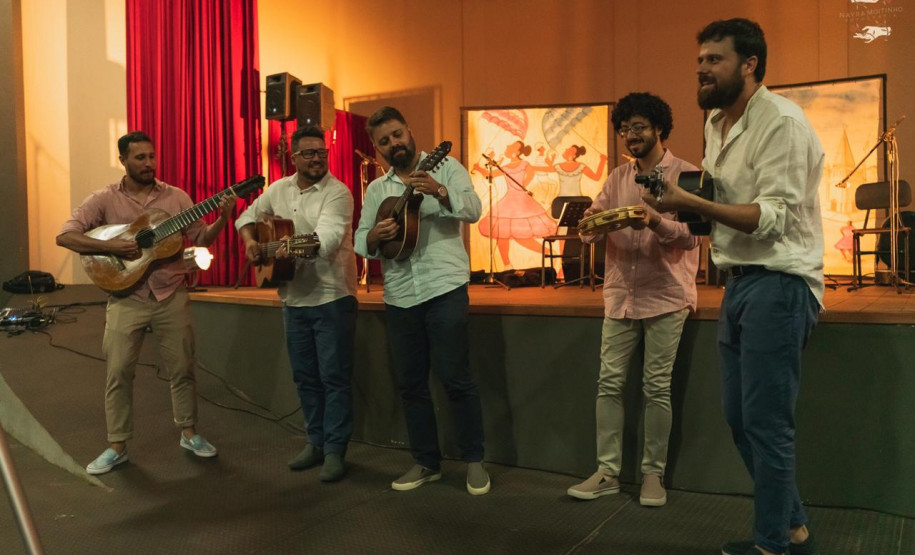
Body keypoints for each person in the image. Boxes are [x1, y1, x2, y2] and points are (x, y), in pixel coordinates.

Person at [641, 19, 823, 555]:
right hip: (740, 282)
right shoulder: (717, 123)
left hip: (781, 283)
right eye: (699, 60)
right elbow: (716, 215)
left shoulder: (782, 123)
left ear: (749, 65)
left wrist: (690, 202)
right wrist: (666, 208)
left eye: (714, 59)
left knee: (767, 425)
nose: (701, 68)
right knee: (740, 420)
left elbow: (771, 217)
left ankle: (771, 544)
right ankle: (792, 527)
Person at [56, 131, 235, 475]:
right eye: (140, 158)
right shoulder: (104, 199)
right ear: (122, 159)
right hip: (126, 297)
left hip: (171, 293)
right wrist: (114, 248)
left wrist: (224, 216)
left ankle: (189, 433)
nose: (149, 163)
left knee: (183, 368)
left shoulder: (177, 197)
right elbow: (66, 235)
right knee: (119, 371)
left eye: (152, 156)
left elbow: (202, 236)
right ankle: (117, 445)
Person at [567, 93, 700, 507]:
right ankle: (607, 472)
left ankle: (652, 476)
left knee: (656, 387)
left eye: (639, 127)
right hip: (620, 295)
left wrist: (657, 220)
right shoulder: (616, 178)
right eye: (625, 129)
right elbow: (590, 229)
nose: (631, 135)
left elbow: (695, 236)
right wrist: (589, 222)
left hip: (667, 294)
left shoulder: (689, 173)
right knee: (608, 383)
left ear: (659, 127)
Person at [354, 106, 490, 495]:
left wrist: (440, 191)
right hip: (399, 296)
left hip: (443, 288)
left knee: (456, 378)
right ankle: (426, 462)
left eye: (397, 134)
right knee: (412, 385)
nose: (393, 143)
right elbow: (360, 241)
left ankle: (474, 460)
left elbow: (475, 209)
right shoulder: (377, 191)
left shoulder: (446, 166)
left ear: (410, 132)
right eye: (384, 141)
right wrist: (377, 236)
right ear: (377, 148)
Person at [235, 126, 358, 482]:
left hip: (332, 297)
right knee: (305, 377)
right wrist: (252, 244)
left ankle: (335, 450)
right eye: (310, 153)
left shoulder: (338, 193)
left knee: (334, 378)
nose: (318, 157)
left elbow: (329, 239)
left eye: (322, 152)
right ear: (294, 157)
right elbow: (245, 217)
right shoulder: (279, 189)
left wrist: (293, 246)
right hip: (293, 298)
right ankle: (314, 441)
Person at [472, 141, 557, 269]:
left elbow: (531, 174)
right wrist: (479, 168)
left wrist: (524, 186)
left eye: (511, 146)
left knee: (521, 236)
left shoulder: (524, 164)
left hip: (521, 202)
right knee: (502, 232)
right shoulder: (505, 167)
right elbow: (489, 175)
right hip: (509, 201)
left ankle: (548, 252)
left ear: (517, 152)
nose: (507, 146)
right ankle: (507, 265)